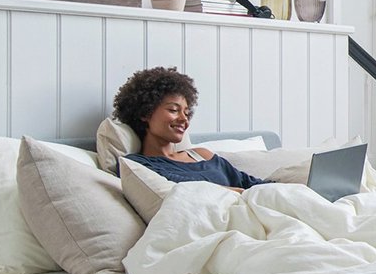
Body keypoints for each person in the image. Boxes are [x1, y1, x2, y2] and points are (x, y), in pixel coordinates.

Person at [112, 67, 267, 193]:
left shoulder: (202, 155)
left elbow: (253, 184)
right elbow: (180, 189)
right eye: (173, 110)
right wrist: (236, 193)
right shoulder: (135, 165)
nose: (184, 119)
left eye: (186, 113)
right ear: (145, 113)